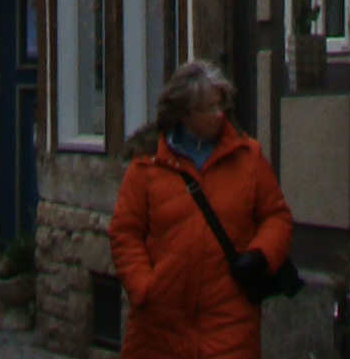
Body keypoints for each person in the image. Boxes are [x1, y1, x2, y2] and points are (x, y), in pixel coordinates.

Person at [109, 62, 293, 359]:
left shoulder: (247, 157)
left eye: (221, 105)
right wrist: (144, 287)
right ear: (184, 113)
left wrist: (260, 255)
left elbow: (277, 217)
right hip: (159, 328)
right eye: (208, 108)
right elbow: (124, 232)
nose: (219, 114)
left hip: (229, 323)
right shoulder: (147, 166)